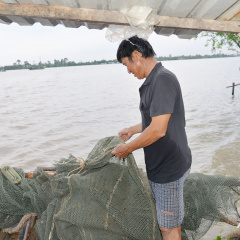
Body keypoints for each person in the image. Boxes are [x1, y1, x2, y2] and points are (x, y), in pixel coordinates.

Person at [112, 36, 192, 240]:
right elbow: (157, 120)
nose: (128, 71)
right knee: (171, 223)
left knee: (167, 228)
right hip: (162, 165)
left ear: (136, 56)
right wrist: (133, 129)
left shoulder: (162, 79)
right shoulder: (153, 81)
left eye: (126, 64)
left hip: (169, 168)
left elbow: (158, 130)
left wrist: (127, 148)